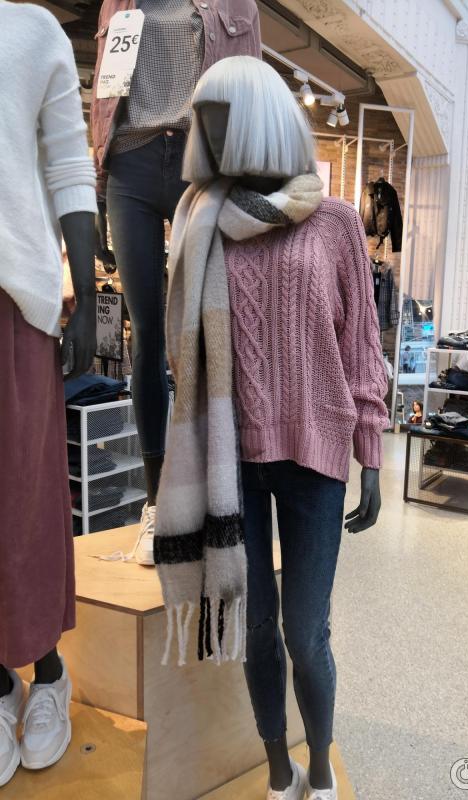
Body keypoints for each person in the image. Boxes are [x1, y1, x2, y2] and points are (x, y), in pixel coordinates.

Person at [153, 56, 389, 800]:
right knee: (256, 628)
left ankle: (319, 765)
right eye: (203, 120)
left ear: (262, 121)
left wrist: (371, 453)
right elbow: (180, 353)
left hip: (315, 454)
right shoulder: (199, 221)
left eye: (221, 117)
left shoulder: (335, 222)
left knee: (305, 633)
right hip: (230, 461)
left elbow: (362, 346)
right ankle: (278, 767)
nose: (207, 133)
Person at [92, 0, 262, 565]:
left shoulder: (238, 5)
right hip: (131, 164)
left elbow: (252, 88)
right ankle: (156, 503)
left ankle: (216, 498)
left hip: (202, 164)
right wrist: (96, 188)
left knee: (211, 333)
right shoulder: (119, 3)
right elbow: (104, 96)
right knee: (146, 334)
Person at [0, 4, 97, 786]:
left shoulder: (30, 30)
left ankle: (48, 670)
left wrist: (89, 295)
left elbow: (68, 160)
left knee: (24, 494)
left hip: (12, 294)